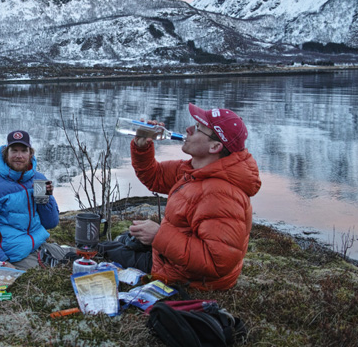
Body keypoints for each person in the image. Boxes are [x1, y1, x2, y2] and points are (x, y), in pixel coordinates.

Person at [101, 103, 261, 290]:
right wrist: (142, 147)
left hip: (189, 278)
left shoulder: (221, 195)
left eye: (198, 128)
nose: (188, 129)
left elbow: (216, 262)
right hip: (177, 260)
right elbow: (155, 177)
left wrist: (159, 235)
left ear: (215, 146)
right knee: (124, 240)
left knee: (102, 251)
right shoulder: (196, 169)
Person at [0, 130, 60, 269]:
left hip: (38, 246)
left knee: (81, 257)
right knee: (51, 277)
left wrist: (46, 200)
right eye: (14, 150)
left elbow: (51, 223)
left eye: (23, 151)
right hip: (11, 255)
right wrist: (1, 261)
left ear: (30, 154)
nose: (18, 156)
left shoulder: (39, 179)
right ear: (6, 154)